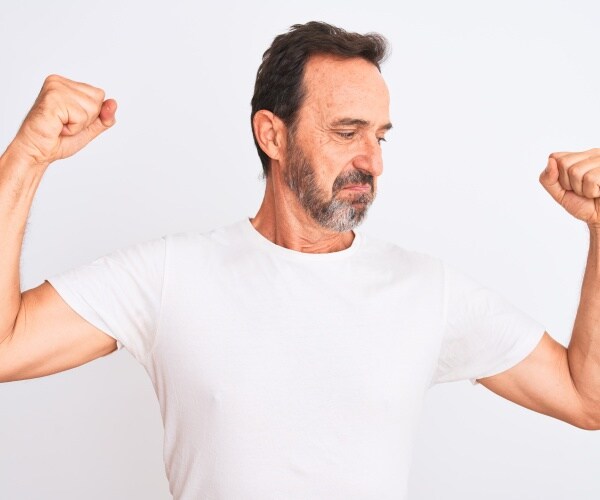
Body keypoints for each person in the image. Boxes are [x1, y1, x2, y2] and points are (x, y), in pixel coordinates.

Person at [0, 20, 599, 499]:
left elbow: (586, 397)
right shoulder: (169, 276)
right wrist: (27, 157)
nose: (374, 162)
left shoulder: (426, 290)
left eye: (380, 135)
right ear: (273, 135)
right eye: (347, 131)